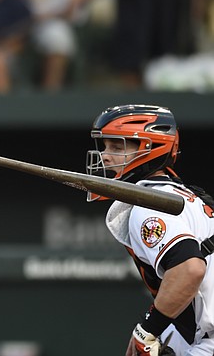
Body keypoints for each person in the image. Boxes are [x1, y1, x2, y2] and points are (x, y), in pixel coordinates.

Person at [86, 104, 214, 355]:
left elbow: (189, 269)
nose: (105, 156)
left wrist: (146, 331)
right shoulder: (187, 195)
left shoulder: (149, 205)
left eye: (117, 146)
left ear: (149, 147)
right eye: (104, 146)